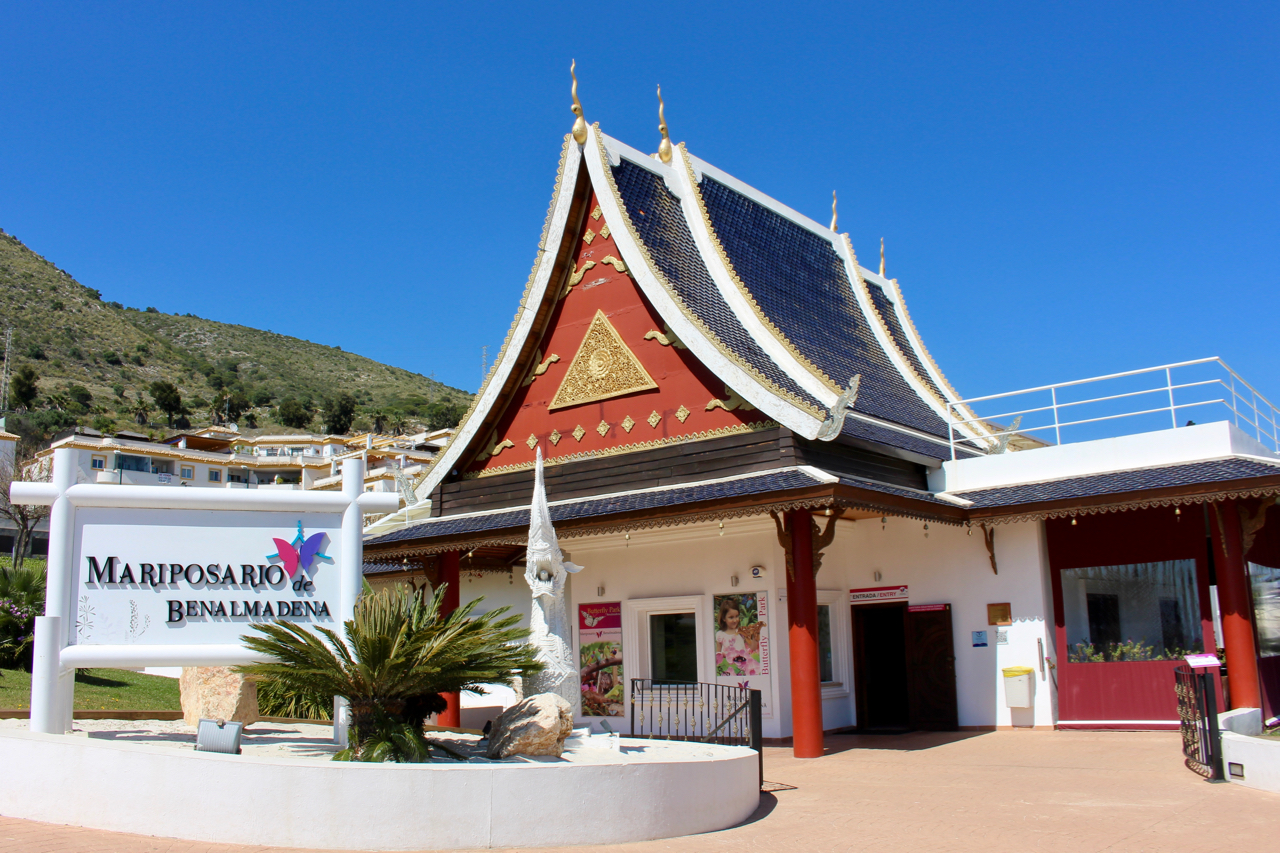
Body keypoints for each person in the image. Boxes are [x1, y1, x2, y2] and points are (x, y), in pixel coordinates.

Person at [715, 597, 760, 676]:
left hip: (743, 669)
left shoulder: (741, 632)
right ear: (724, 618)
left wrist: (754, 635)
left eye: (737, 616)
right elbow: (718, 657)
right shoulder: (720, 635)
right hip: (729, 670)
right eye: (731, 617)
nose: (735, 620)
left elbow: (753, 647)